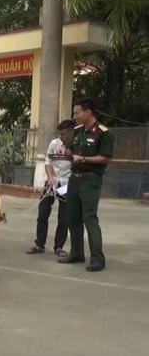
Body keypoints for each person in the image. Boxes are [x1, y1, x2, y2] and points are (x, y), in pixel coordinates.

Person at [59, 98, 114, 272]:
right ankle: (77, 253)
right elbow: (73, 153)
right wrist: (67, 153)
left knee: (89, 217)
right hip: (74, 178)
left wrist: (83, 158)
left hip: (91, 179)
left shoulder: (104, 133)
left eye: (77, 113)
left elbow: (105, 158)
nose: (74, 116)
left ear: (88, 112)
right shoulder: (77, 132)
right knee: (72, 217)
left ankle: (98, 259)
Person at [26, 119, 74, 257]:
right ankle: (39, 244)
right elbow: (48, 162)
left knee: (63, 218)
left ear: (71, 133)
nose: (61, 136)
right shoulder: (54, 144)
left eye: (64, 134)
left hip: (66, 184)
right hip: (52, 182)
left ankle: (59, 246)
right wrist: (50, 177)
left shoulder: (76, 146)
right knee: (42, 214)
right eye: (60, 133)